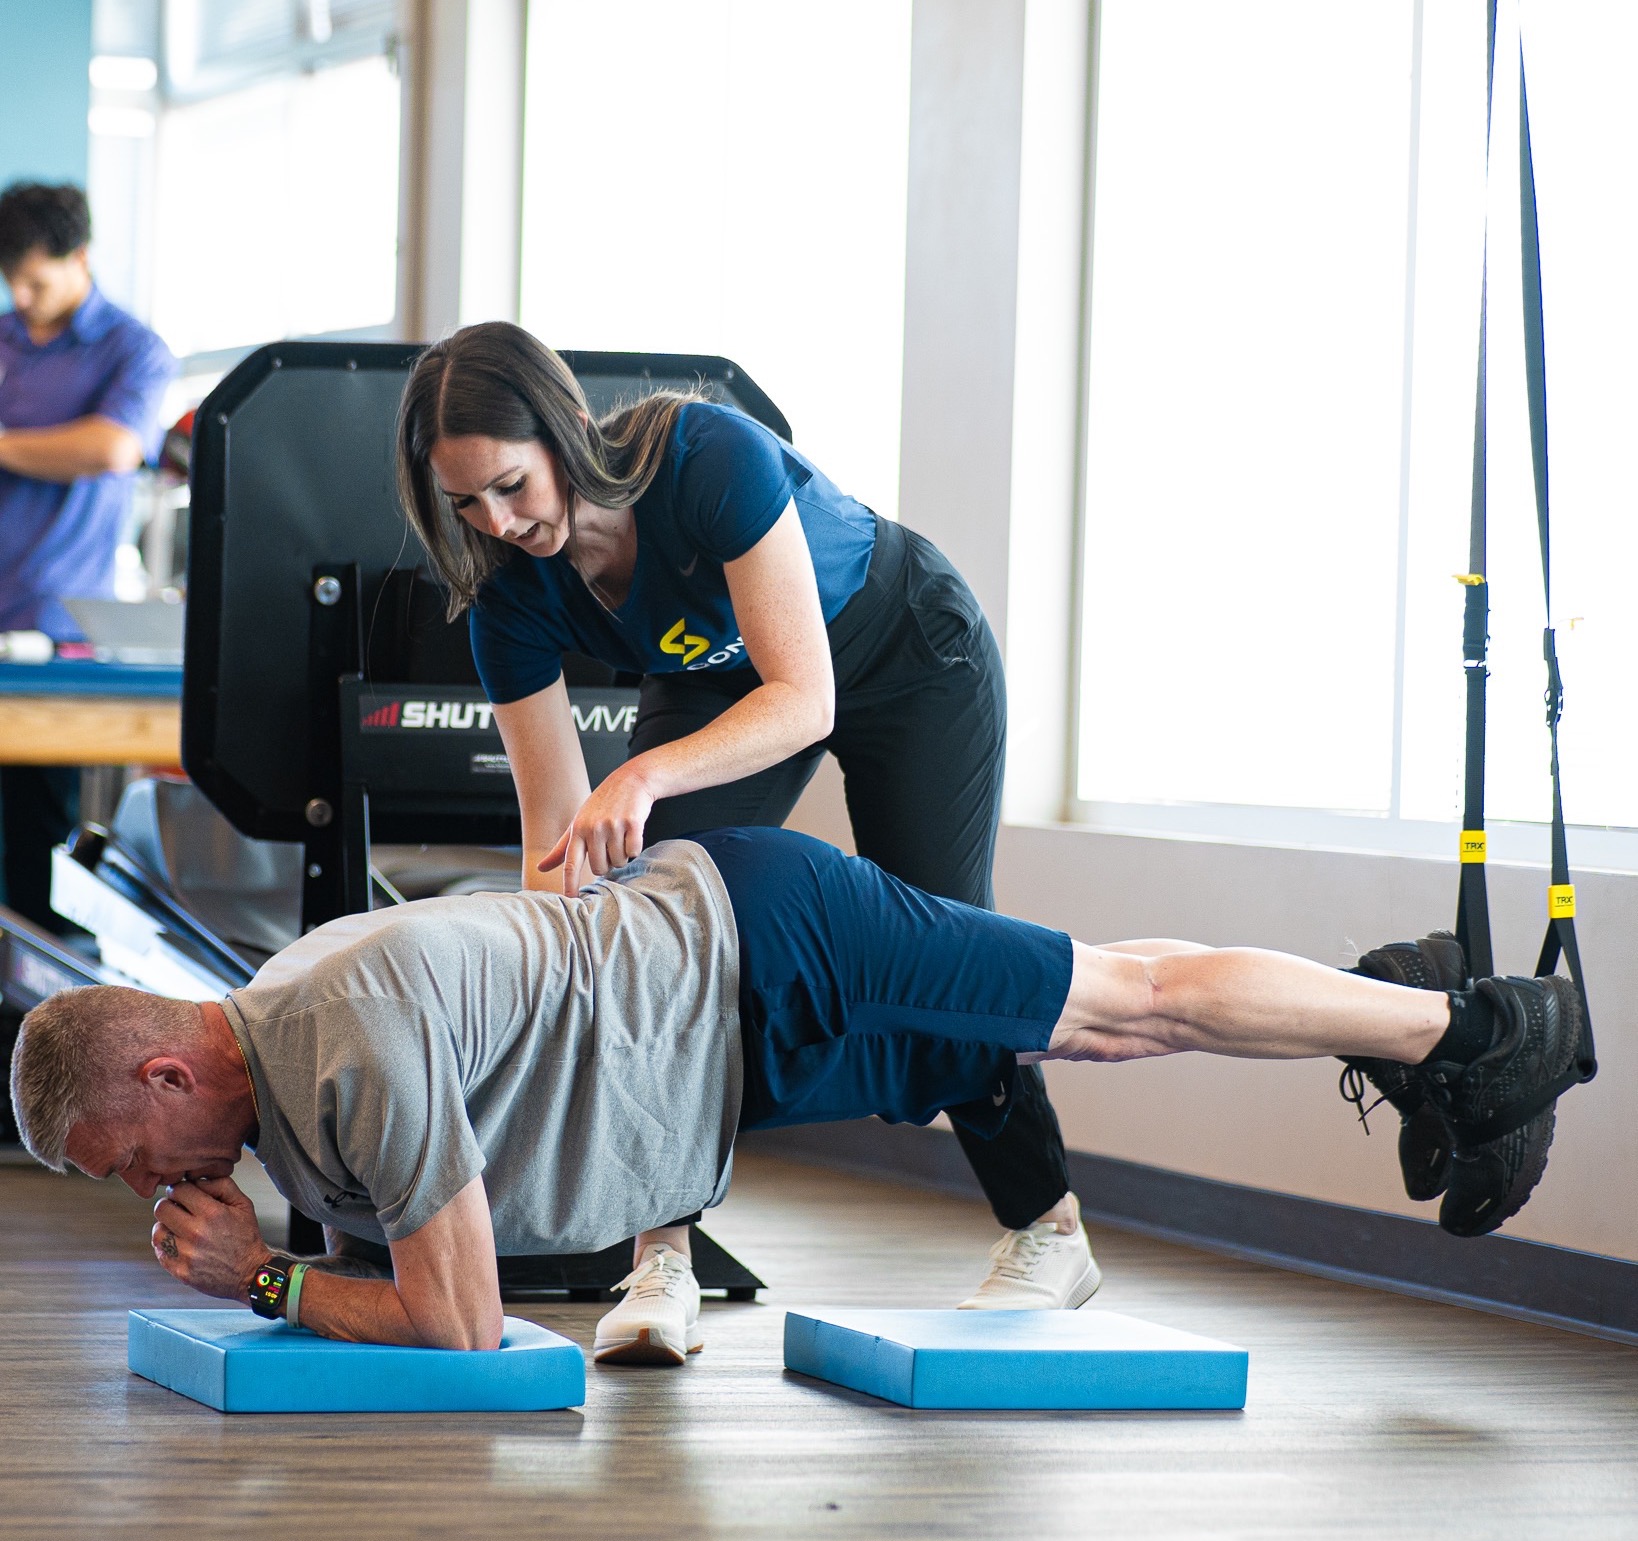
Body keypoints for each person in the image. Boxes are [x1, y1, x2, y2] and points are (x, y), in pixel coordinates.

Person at [10, 826, 1578, 1360]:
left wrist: (265, 1277)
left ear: (165, 1069)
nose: (145, 1186)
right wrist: (284, 1254)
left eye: (123, 1156)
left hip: (772, 945)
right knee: (1088, 1021)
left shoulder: (340, 1034)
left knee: (1121, 1006)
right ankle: (1398, 1008)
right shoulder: (282, 1043)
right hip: (733, 1038)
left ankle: (1477, 1023)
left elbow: (464, 1320)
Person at [395, 322, 1090, 1338]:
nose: (497, 522)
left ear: (566, 428)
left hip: (904, 649)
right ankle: (659, 1260)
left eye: (511, 485)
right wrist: (569, 970)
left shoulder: (707, 456)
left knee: (941, 950)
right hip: (714, 679)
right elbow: (554, 828)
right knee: (647, 937)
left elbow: (804, 697)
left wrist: (642, 772)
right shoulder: (507, 598)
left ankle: (1048, 1228)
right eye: (465, 503)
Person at [0, 182, 177, 930]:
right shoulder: (5, 336)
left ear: (80, 258)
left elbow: (112, 447)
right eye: (10, 281)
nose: (21, 297)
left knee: (36, 846)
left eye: (35, 281)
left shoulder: (133, 349)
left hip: (55, 627)